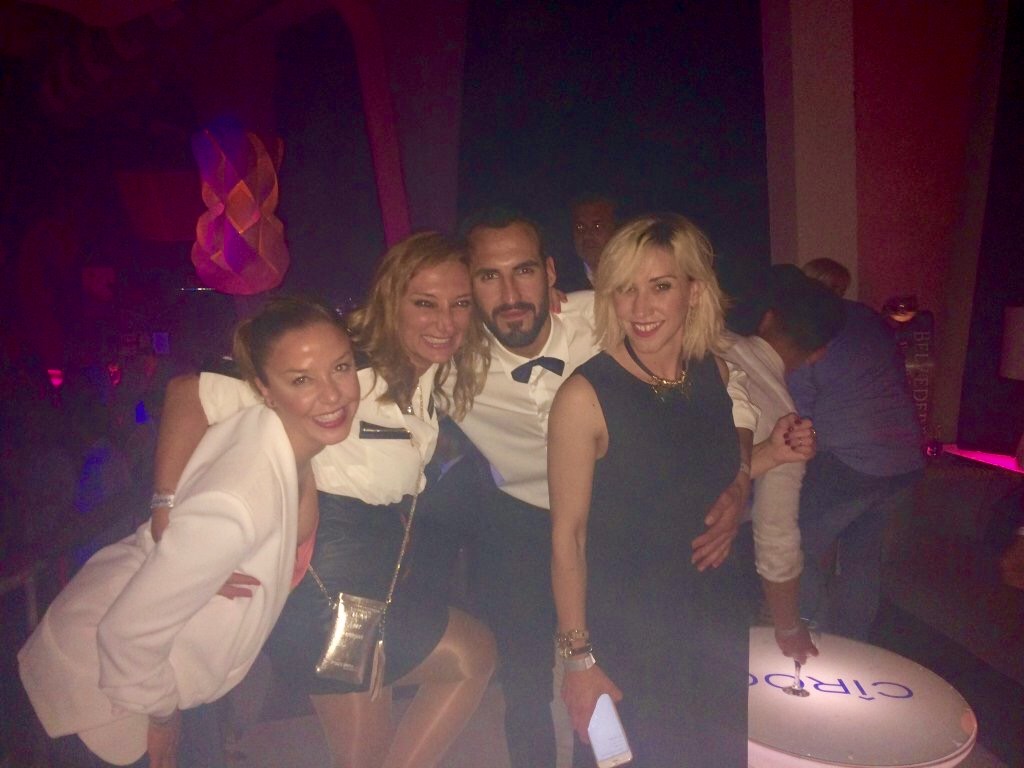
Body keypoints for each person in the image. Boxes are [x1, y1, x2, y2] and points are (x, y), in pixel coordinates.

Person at [151, 233, 496, 768]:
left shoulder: (426, 376)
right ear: (392, 300)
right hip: (326, 594)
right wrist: (165, 518)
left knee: (469, 657)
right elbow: (189, 393)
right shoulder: (344, 370)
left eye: (460, 303)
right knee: (412, 707)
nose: (445, 321)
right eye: (425, 303)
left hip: (367, 585)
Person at [18, 296, 361, 767]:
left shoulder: (278, 435)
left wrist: (194, 566)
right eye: (302, 379)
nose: (333, 394)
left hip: (156, 663)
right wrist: (163, 719)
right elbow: (127, 635)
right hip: (109, 690)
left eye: (341, 367)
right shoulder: (240, 498)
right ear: (264, 388)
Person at [549, 213, 755, 766]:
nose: (640, 308)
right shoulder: (585, 397)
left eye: (660, 286)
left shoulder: (710, 370)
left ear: (694, 291)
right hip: (631, 627)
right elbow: (568, 537)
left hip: (716, 611)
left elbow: (717, 463)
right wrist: (577, 660)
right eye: (625, 289)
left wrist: (739, 486)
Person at [792, 260, 925, 640]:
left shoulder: (810, 326)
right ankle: (853, 646)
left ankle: (807, 637)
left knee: (793, 545)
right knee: (862, 558)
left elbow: (798, 410)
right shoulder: (867, 317)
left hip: (853, 461)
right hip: (904, 459)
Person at [721, 267, 846, 662]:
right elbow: (775, 535)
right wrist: (788, 626)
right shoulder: (785, 420)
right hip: (696, 551)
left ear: (767, 319)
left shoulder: (706, 340)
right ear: (817, 354)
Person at [570, 195, 618, 286]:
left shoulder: (631, 273)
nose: (587, 235)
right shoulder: (561, 282)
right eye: (580, 227)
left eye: (597, 226)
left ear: (613, 229)